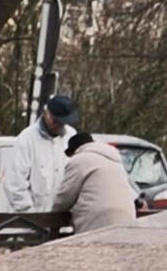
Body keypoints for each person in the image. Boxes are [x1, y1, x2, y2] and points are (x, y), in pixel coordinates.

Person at [34, 88, 137, 234]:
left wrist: (48, 219)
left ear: (74, 151)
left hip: (98, 221)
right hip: (127, 220)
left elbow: (63, 199)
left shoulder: (79, 160)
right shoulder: (113, 157)